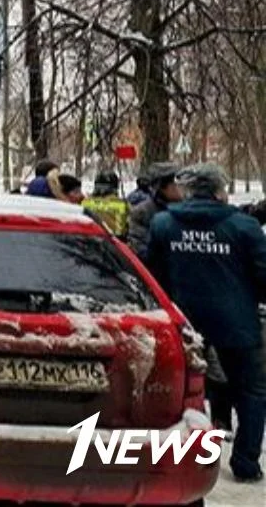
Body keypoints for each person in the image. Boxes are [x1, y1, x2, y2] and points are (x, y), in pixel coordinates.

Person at [145, 163, 265, 483]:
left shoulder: (164, 224)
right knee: (251, 392)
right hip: (236, 323)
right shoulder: (245, 227)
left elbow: (151, 275)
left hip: (183, 324)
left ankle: (195, 456)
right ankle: (245, 462)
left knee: (185, 391)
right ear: (217, 190)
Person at [127, 162, 183, 260]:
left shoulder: (188, 211)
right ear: (162, 187)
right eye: (176, 183)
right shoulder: (142, 213)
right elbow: (140, 249)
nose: (181, 187)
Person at [81, 170, 130, 239]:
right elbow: (121, 231)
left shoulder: (85, 202)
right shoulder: (121, 204)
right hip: (112, 242)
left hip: (87, 240)